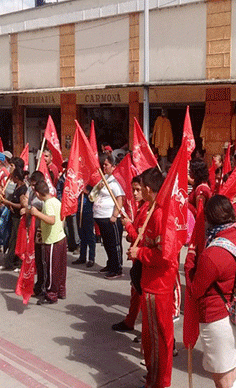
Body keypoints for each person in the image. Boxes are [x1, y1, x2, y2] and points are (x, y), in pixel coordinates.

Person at [189, 195, 236, 388]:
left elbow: (196, 290)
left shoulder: (212, 253)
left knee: (222, 379)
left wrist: (190, 264)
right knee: (232, 371)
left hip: (217, 319)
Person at [127, 167, 177, 388]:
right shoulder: (152, 209)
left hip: (159, 286)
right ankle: (152, 377)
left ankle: (160, 383)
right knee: (150, 339)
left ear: (148, 189)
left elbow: (165, 256)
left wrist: (140, 253)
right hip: (150, 283)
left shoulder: (161, 214)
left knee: (159, 341)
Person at [112, 175, 147, 332]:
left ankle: (146, 329)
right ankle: (130, 321)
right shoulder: (142, 207)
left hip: (144, 259)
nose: (134, 193)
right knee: (135, 293)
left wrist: (128, 226)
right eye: (133, 189)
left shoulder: (149, 210)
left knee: (144, 297)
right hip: (137, 258)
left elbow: (140, 238)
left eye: (138, 189)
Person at [29, 180, 67, 305]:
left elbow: (51, 220)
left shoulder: (48, 204)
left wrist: (37, 213)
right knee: (60, 268)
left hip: (52, 240)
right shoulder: (56, 200)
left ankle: (51, 294)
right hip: (60, 237)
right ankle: (61, 290)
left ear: (38, 194)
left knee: (52, 269)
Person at [92, 153, 125, 279]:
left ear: (113, 166)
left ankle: (117, 268)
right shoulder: (104, 178)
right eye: (103, 165)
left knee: (114, 244)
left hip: (110, 218)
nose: (104, 167)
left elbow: (119, 199)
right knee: (106, 243)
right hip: (101, 217)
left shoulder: (116, 180)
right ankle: (110, 264)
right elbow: (93, 195)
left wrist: (115, 215)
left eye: (106, 165)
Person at [0, 166, 28, 271]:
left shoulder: (23, 189)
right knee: (12, 240)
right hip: (13, 216)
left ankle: (17, 263)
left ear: (16, 177)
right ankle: (11, 262)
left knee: (16, 241)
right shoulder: (17, 187)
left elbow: (21, 205)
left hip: (19, 218)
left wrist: (9, 203)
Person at [71, 185, 96, 267]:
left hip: (88, 212)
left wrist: (87, 192)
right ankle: (82, 257)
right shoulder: (77, 183)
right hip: (79, 212)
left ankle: (91, 258)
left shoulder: (90, 185)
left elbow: (94, 197)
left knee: (90, 236)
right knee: (82, 235)